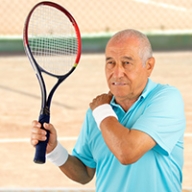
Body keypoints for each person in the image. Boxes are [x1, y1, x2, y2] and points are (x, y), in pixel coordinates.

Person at [30, 29, 186, 192]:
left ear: (149, 65)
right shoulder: (96, 114)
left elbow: (127, 152)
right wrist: (54, 150)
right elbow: (85, 173)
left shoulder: (167, 99)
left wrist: (102, 111)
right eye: (111, 63)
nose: (117, 73)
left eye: (127, 63)